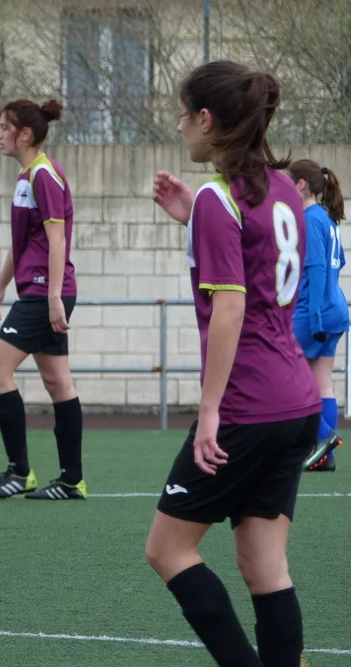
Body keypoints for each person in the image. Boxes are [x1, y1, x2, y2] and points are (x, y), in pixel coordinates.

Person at [147, 61, 320, 667]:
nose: (178, 125)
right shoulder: (283, 188)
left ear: (205, 119)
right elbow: (259, 257)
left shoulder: (219, 199)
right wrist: (195, 217)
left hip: (249, 404)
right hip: (296, 401)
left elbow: (231, 309)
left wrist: (210, 411)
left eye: (182, 113)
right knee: (264, 565)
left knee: (168, 550)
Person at [0, 98, 86, 501]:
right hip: (39, 291)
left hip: (45, 293)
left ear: (25, 134)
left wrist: (54, 296)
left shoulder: (44, 175)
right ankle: (72, 481)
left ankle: (19, 472)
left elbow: (58, 240)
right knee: (58, 383)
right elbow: (21, 241)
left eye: (4, 128)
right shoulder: (27, 177)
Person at [288, 159, 347, 472]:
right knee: (321, 382)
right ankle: (324, 457)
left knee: (290, 381)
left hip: (316, 313)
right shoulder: (327, 218)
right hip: (336, 309)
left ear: (300, 185)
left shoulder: (310, 219)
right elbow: (339, 263)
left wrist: (313, 319)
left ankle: (324, 438)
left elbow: (318, 269)